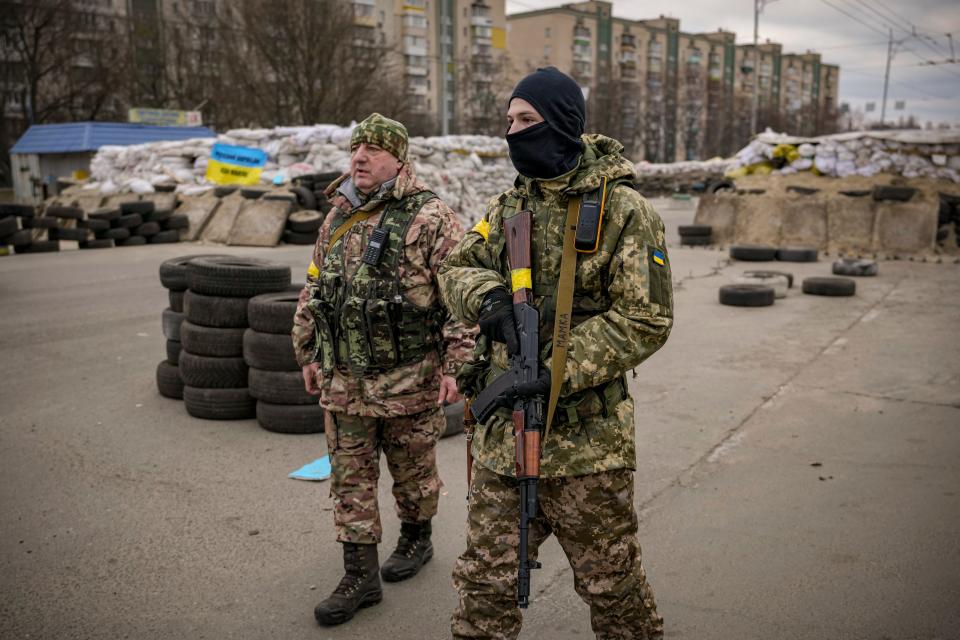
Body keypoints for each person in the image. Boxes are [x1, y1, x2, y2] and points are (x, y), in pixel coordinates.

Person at [438, 67, 674, 639]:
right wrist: (488, 298)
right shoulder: (504, 208)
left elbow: (647, 319)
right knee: (483, 586)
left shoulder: (624, 212)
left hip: (588, 447)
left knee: (612, 589)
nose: (512, 132)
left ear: (562, 124)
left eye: (525, 120)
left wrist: (554, 371)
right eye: (509, 121)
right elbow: (454, 268)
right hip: (503, 443)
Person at [291, 112, 474, 627]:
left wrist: (455, 365)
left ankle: (417, 539)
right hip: (344, 378)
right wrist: (306, 350)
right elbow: (315, 286)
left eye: (373, 150)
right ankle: (359, 575)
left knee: (413, 472)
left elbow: (457, 295)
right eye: (356, 149)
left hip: (408, 378)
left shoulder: (430, 216)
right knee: (349, 478)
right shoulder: (336, 215)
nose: (360, 158)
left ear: (399, 158)